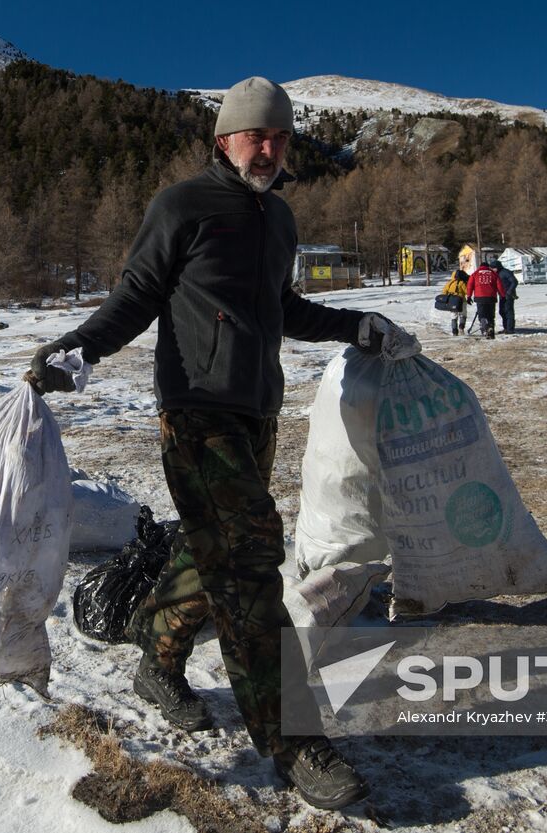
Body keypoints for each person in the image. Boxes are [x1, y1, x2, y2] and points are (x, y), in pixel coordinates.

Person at [28, 76, 418, 810]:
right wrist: (81, 349)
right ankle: (292, 737)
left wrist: (357, 325)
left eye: (280, 136)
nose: (268, 148)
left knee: (215, 555)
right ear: (224, 139)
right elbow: (138, 292)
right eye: (255, 135)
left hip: (255, 416)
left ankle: (159, 659)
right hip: (197, 413)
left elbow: (282, 307)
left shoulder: (280, 220)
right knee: (248, 564)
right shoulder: (182, 206)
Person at [466, 258, 506, 339]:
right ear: (488, 267)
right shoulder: (494, 274)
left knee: (482, 315)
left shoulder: (475, 274)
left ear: (480, 267)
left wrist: (469, 296)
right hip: (491, 297)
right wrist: (503, 295)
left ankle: (485, 329)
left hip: (480, 298)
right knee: (491, 315)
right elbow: (499, 285)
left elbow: (469, 286)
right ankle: (491, 328)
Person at [440, 252, 471, 336]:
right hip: (461, 300)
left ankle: (454, 331)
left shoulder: (449, 283)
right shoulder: (461, 283)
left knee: (453, 316)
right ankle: (461, 327)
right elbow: (467, 291)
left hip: (452, 301)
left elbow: (444, 291)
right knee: (463, 314)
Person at [489, 258, 518, 334]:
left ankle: (510, 329)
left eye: (493, 268)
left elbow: (514, 281)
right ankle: (506, 327)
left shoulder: (505, 272)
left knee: (508, 312)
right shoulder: (497, 273)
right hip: (502, 295)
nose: (492, 269)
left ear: (497, 267)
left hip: (508, 295)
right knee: (502, 311)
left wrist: (509, 291)